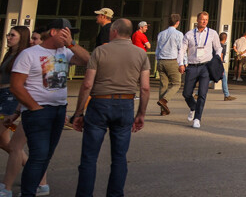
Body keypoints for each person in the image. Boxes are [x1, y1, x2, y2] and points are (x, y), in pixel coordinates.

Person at [9, 18, 90, 197]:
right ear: (53, 32)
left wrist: (72, 44)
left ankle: (34, 188)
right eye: (66, 32)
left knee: (45, 156)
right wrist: (34, 107)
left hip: (59, 110)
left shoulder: (65, 52)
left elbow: (88, 60)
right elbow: (16, 86)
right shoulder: (29, 54)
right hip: (38, 111)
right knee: (38, 155)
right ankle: (27, 193)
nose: (69, 36)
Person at [70, 17, 150, 197]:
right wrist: (141, 114)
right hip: (125, 105)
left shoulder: (100, 51)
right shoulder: (141, 54)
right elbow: (145, 87)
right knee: (119, 157)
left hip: (100, 103)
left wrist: (78, 112)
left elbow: (87, 84)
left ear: (114, 31)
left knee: (89, 157)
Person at [1, 27, 48, 197]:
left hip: (13, 100)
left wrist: (17, 108)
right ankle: (39, 179)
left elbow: (27, 83)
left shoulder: (30, 56)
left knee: (15, 146)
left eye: (12, 35)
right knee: (11, 145)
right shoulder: (12, 55)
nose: (8, 37)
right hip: (10, 100)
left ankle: (7, 187)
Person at [178, 11, 222, 129]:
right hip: (192, 66)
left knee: (202, 93)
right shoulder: (189, 34)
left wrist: (217, 59)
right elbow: (182, 50)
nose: (204, 22)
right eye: (202, 19)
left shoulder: (212, 33)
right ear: (197, 20)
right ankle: (193, 107)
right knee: (186, 93)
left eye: (206, 20)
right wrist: (181, 63)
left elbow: (218, 48)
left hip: (206, 67)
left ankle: (197, 118)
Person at [153, 13, 183, 116]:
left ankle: (163, 110)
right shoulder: (178, 34)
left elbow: (157, 49)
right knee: (176, 83)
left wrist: (157, 61)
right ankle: (164, 101)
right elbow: (181, 50)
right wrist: (183, 63)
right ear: (177, 23)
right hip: (172, 61)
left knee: (163, 85)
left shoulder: (161, 33)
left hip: (161, 60)